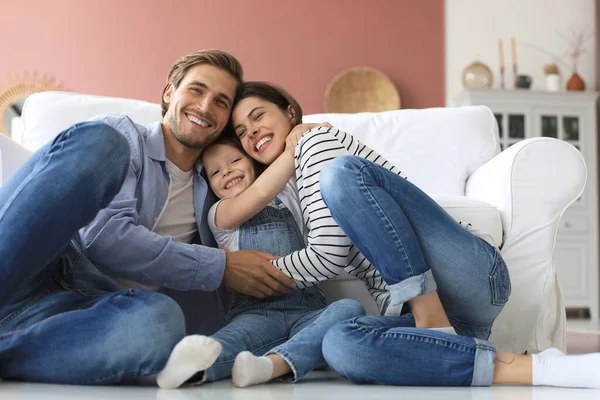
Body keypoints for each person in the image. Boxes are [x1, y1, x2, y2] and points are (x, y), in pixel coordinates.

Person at [229, 81, 600, 389]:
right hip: (448, 319)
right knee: (341, 345)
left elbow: (328, 255)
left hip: (467, 276)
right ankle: (535, 369)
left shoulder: (314, 143)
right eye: (241, 132)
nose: (252, 133)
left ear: (290, 113)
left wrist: (244, 274)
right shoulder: (286, 192)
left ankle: (432, 319)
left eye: (258, 116)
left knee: (340, 175)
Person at [0, 50, 296, 384]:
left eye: (220, 102)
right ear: (170, 93)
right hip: (39, 265)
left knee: (161, 322)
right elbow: (103, 237)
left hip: (86, 311)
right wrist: (220, 267)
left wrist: (301, 131)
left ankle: (10, 351)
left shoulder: (219, 182)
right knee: (101, 142)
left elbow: (268, 174)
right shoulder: (124, 138)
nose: (205, 107)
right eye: (197, 90)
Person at [155, 133, 365, 389]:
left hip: (308, 312)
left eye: (234, 160)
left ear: (253, 161)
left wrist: (306, 133)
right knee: (229, 340)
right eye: (215, 172)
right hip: (257, 314)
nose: (227, 171)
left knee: (349, 309)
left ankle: (271, 365)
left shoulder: (288, 196)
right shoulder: (219, 213)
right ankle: (189, 367)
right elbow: (258, 194)